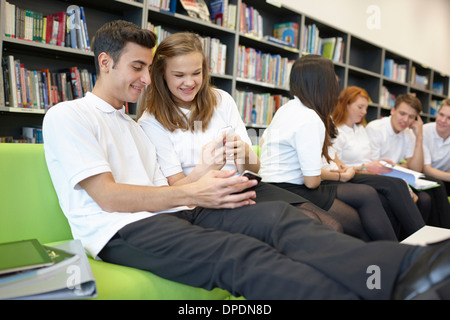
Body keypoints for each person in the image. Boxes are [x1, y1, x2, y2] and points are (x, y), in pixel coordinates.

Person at [42, 20, 450, 300]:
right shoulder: (68, 115)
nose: (147, 79)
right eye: (139, 67)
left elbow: (166, 189)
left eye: (150, 69)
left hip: (177, 210)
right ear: (105, 62)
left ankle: (408, 266)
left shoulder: (131, 125)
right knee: (240, 254)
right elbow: (109, 197)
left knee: (278, 220)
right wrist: (199, 191)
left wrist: (201, 179)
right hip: (120, 230)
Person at [137, 32, 341, 231]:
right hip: (205, 199)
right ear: (161, 74)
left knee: (330, 224)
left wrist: (243, 153)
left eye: (196, 73)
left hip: (246, 186)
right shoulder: (151, 122)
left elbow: (254, 169)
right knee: (304, 225)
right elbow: (177, 190)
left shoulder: (222, 100)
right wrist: (206, 168)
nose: (190, 82)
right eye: (179, 75)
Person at [259, 54, 397, 241]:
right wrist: (341, 175)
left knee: (364, 199)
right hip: (291, 188)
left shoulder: (286, 109)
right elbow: (312, 182)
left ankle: (386, 252)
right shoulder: (309, 118)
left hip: (272, 185)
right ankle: (392, 252)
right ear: (323, 84)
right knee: (358, 219)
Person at [331, 86, 425, 238]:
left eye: (366, 108)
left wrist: (379, 163)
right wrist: (364, 166)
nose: (364, 112)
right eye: (360, 107)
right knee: (397, 185)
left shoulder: (360, 128)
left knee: (399, 188)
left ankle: (410, 241)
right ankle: (421, 239)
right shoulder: (336, 131)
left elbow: (368, 159)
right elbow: (336, 167)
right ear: (345, 104)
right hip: (352, 175)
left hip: (366, 172)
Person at [366, 94, 450, 228]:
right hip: (379, 177)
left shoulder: (408, 133)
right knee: (426, 196)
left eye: (411, 117)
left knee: (429, 196)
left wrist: (419, 136)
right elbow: (375, 167)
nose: (405, 120)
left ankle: (439, 235)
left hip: (397, 176)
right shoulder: (375, 129)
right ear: (393, 110)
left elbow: (415, 168)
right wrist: (403, 165)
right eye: (402, 113)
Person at [423, 99, 450, 195]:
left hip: (443, 177)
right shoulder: (424, 131)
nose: (443, 121)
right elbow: (426, 169)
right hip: (422, 177)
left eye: (449, 118)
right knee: (439, 185)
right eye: (441, 115)